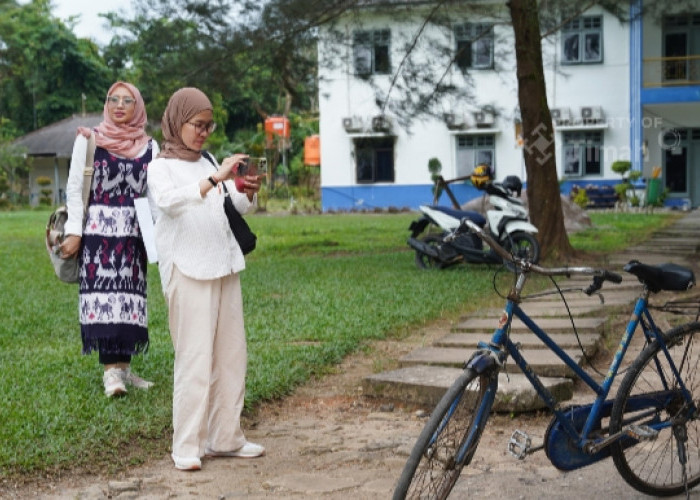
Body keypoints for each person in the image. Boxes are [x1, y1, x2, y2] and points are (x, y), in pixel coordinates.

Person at [147, 87, 264, 471]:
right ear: (177, 122)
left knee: (232, 356)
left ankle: (225, 437)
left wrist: (246, 190)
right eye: (197, 124)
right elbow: (170, 202)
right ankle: (187, 445)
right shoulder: (160, 166)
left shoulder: (209, 160)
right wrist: (217, 177)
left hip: (224, 264)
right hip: (188, 268)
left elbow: (230, 204)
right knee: (195, 359)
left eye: (208, 125)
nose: (203, 132)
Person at [61, 81, 159, 397]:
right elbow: (75, 189)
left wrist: (157, 238)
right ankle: (110, 374)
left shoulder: (150, 147)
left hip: (133, 236)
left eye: (127, 100)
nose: (119, 105)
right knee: (104, 300)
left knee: (129, 302)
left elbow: (154, 196)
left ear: (138, 106)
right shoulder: (89, 141)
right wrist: (75, 231)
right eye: (112, 99)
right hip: (97, 235)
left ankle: (125, 369)